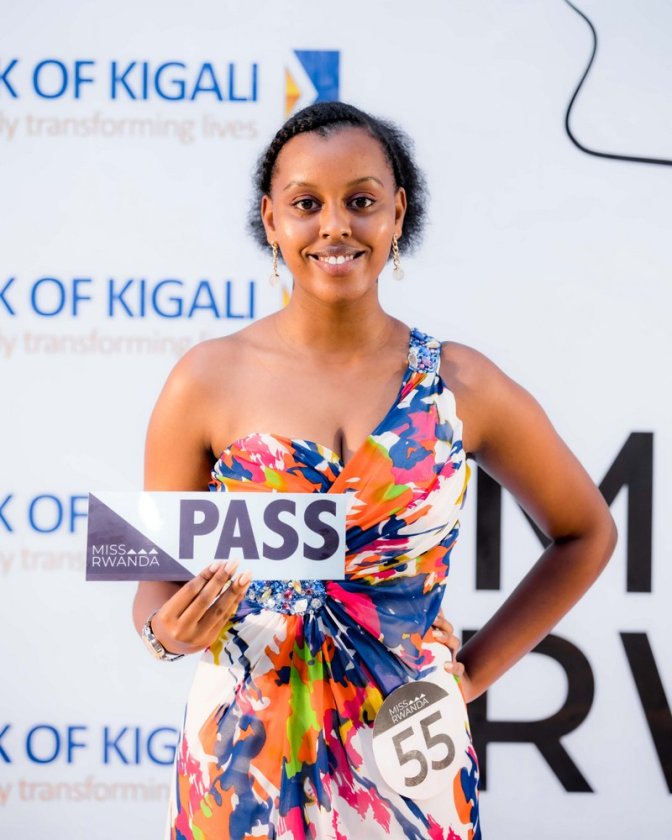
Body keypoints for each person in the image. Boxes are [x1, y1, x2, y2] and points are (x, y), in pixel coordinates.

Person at [132, 101, 616, 840]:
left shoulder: (461, 384)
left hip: (410, 751)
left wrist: (473, 673)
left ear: (397, 213)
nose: (335, 226)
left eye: (360, 201)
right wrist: (165, 631)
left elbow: (587, 532)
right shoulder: (205, 380)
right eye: (306, 204)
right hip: (242, 757)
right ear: (270, 219)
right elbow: (151, 578)